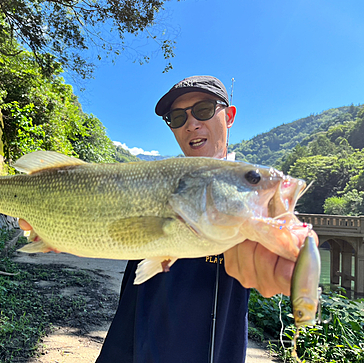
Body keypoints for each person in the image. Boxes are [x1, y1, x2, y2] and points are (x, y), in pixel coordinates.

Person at [19, 75, 316, 363]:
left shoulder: (251, 198)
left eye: (203, 110)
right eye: (177, 118)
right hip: (128, 342)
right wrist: (58, 228)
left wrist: (293, 259)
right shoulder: (156, 178)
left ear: (229, 116)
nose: (191, 124)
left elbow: (291, 239)